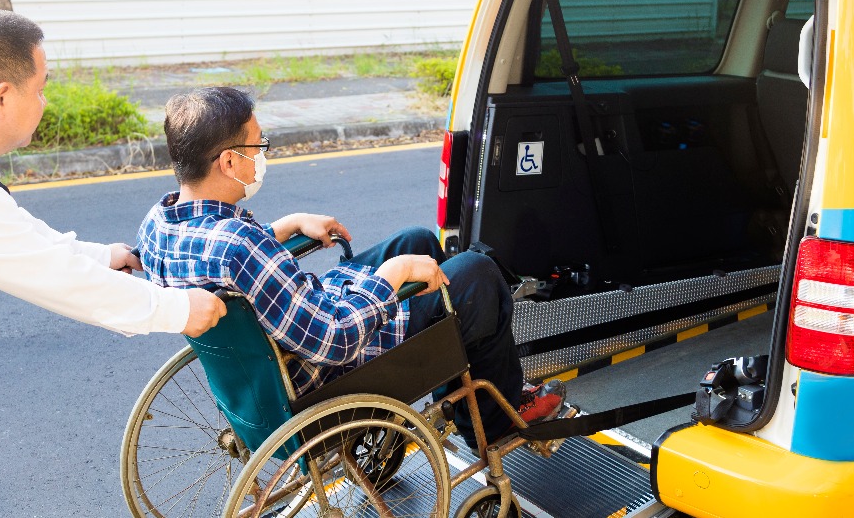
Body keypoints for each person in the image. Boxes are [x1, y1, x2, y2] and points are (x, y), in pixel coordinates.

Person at [0, 10, 226, 518]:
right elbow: (64, 283)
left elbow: (17, 236)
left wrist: (106, 256)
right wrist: (180, 310)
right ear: (3, 96)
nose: (45, 101)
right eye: (41, 87)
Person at [136, 86, 565, 452]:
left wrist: (286, 226)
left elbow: (223, 261)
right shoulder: (240, 246)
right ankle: (495, 425)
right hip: (324, 374)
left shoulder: (160, 224)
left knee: (416, 240)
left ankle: (454, 387)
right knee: (477, 275)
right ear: (228, 163)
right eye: (257, 146)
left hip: (271, 362)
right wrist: (392, 276)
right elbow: (334, 340)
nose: (262, 156)